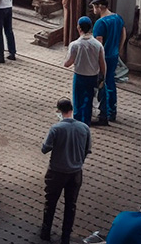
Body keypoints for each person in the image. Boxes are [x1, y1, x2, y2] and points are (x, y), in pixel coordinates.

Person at [40, 98, 92, 244]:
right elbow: (88, 150)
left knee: (50, 202)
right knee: (71, 205)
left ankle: (45, 232)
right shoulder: (84, 128)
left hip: (56, 172)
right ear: (72, 109)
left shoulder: (56, 128)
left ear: (59, 111)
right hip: (75, 173)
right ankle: (66, 237)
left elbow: (45, 148)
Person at [63, 16, 107, 125]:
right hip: (93, 77)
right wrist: (103, 77)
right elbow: (102, 63)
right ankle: (86, 123)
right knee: (89, 102)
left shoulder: (75, 45)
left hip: (79, 76)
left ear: (79, 28)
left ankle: (77, 123)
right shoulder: (98, 45)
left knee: (78, 101)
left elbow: (67, 63)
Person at [90, 0, 126, 126]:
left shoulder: (101, 23)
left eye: (94, 7)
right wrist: (118, 49)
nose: (93, 10)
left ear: (99, 7)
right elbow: (123, 34)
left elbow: (98, 43)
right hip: (114, 55)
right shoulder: (117, 18)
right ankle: (113, 110)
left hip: (104, 57)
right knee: (111, 82)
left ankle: (104, 112)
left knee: (102, 83)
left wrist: (95, 59)